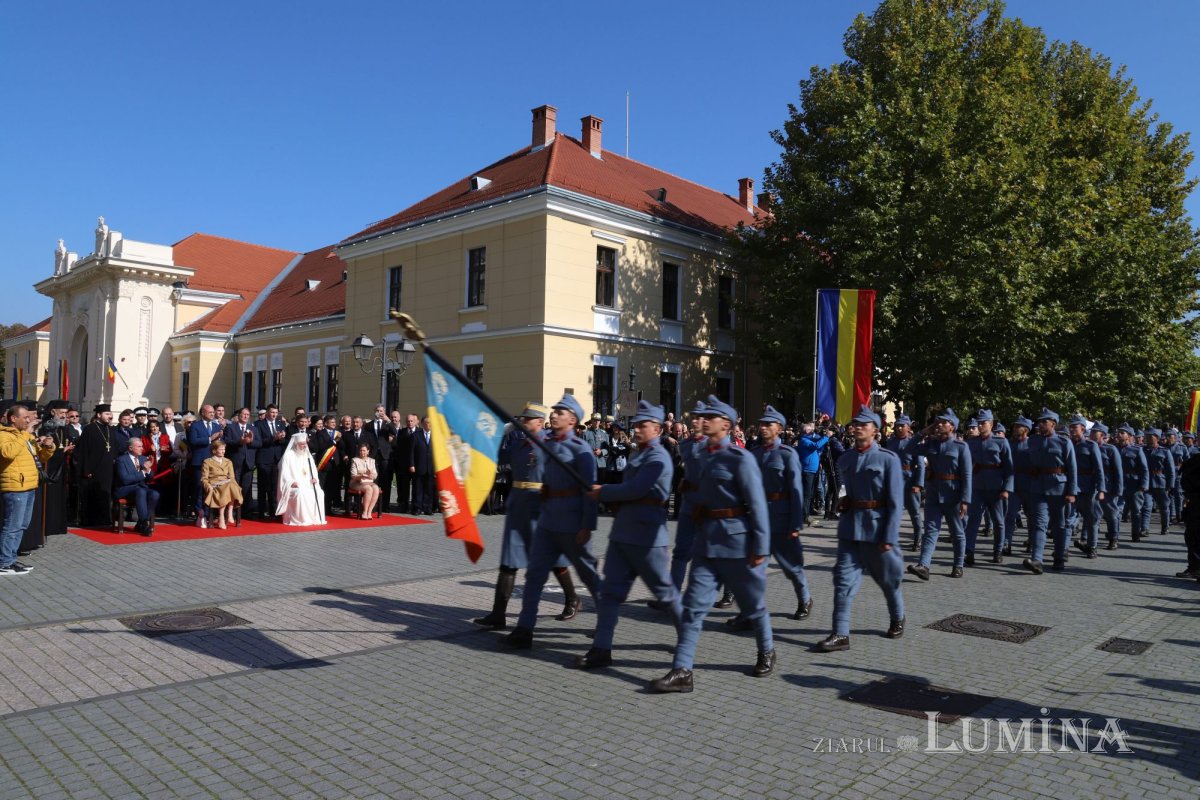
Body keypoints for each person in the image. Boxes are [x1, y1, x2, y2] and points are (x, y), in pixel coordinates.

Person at [649, 395, 774, 694]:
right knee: (693, 608)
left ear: (726, 425)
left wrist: (761, 547)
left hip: (737, 543)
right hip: (707, 543)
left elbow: (757, 506)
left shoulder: (739, 459)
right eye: (702, 418)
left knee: (753, 604)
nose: (702, 421)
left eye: (710, 418)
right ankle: (682, 670)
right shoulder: (701, 456)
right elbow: (694, 498)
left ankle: (767, 650)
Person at [574, 401, 680, 670]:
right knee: (610, 593)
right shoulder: (640, 454)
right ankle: (602, 648)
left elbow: (637, 489)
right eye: (636, 425)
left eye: (642, 425)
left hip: (647, 537)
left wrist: (604, 492)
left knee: (665, 595)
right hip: (623, 534)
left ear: (656, 429)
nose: (636, 429)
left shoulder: (658, 457)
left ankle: (687, 636)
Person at [504, 394, 600, 649]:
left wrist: (587, 526)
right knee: (534, 576)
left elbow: (589, 492)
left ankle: (606, 623)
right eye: (554, 411)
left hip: (571, 522)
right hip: (547, 521)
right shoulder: (547, 446)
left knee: (589, 575)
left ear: (572, 420)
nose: (554, 414)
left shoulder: (581, 451)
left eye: (560, 412)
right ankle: (524, 629)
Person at [474, 403, 581, 630]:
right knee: (509, 560)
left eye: (527, 419)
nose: (522, 422)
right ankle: (498, 614)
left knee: (553, 558)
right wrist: (504, 430)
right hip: (518, 507)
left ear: (539, 423)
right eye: (521, 419)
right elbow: (495, 452)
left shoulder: (550, 445)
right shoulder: (518, 445)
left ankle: (572, 598)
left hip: (541, 507)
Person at [818, 405, 905, 651]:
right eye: (854, 424)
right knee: (843, 580)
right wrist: (843, 501)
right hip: (850, 528)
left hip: (877, 530)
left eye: (862, 425)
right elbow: (845, 489)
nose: (856, 428)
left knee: (887, 580)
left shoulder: (888, 459)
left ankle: (897, 616)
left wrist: (889, 535)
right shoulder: (845, 458)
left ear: (875, 431)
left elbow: (896, 502)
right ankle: (840, 633)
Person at [730, 405, 811, 628]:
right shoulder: (753, 454)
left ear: (780, 429)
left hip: (782, 519)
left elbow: (796, 491)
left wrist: (796, 523)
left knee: (791, 567)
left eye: (768, 424)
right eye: (762, 424)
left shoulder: (787, 454)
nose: (763, 427)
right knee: (753, 570)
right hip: (757, 520)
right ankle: (750, 612)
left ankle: (805, 599)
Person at [909, 409, 972, 580]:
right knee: (930, 530)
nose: (939, 425)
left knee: (957, 531)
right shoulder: (931, 443)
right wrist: (923, 432)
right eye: (938, 422)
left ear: (952, 427)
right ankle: (924, 566)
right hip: (933, 493)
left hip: (953, 495)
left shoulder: (961, 447)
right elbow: (909, 448)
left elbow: (967, 475)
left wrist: (965, 500)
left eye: (943, 422)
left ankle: (958, 565)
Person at [0, 401, 55, 574]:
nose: (28, 420)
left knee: (21, 525)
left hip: (29, 485)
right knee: (12, 526)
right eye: (24, 417)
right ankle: (4, 562)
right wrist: (25, 434)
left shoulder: (25, 435)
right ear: (13, 418)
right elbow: (8, 453)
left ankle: (10, 558)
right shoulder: (4, 434)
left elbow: (40, 458)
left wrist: (48, 446)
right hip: (15, 486)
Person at [1024, 408, 1078, 574]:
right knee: (1039, 524)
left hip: (1059, 488)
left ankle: (1059, 557)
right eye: (1039, 422)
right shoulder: (1032, 441)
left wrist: (1072, 492)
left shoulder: (1063, 442)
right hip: (1038, 487)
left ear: (1053, 424)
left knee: (1059, 525)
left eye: (1044, 422)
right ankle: (1037, 560)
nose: (1040, 425)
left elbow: (1072, 468)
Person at [964, 410, 1013, 566]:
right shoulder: (971, 443)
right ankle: (969, 551)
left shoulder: (1001, 442)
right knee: (973, 520)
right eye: (979, 422)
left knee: (998, 522)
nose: (980, 425)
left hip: (996, 488)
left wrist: (1006, 489)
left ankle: (998, 550)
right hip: (977, 487)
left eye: (983, 423)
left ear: (991, 424)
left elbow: (1009, 468)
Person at [1069, 415, 1107, 558]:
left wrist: (1101, 489)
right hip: (1070, 487)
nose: (1072, 429)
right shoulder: (1067, 444)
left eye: (1075, 427)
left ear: (1083, 429)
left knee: (1091, 519)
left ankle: (1092, 547)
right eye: (1071, 427)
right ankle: (1063, 549)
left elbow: (1099, 469)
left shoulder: (1091, 446)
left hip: (1088, 487)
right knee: (1068, 519)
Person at [885, 414, 925, 551]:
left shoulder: (914, 443)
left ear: (908, 428)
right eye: (898, 425)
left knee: (914, 512)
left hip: (909, 481)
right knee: (892, 511)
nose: (899, 428)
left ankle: (918, 538)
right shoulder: (890, 442)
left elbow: (920, 465)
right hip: (893, 481)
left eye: (902, 425)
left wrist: (919, 484)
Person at [76, 404, 116, 526]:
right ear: (99, 415)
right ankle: (90, 521)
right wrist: (86, 469)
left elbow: (113, 448)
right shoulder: (89, 429)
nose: (110, 416)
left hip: (107, 469)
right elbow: (83, 451)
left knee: (105, 495)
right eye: (107, 414)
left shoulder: (110, 429)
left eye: (110, 414)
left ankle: (104, 520)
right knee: (92, 496)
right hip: (93, 470)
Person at [186, 404, 224, 526]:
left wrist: (220, 440)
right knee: (199, 488)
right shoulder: (195, 426)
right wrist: (209, 439)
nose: (213, 414)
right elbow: (193, 441)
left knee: (210, 489)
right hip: (200, 462)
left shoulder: (216, 425)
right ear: (203, 413)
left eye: (213, 412)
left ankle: (208, 513)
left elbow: (219, 444)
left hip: (213, 463)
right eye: (210, 412)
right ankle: (199, 513)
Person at [276, 433, 326, 525]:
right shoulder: (288, 455)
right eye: (301, 444)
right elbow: (284, 473)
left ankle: (315, 518)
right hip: (294, 485)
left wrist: (314, 478)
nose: (304, 446)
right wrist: (291, 482)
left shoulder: (307, 455)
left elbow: (313, 470)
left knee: (320, 493)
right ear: (296, 444)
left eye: (305, 443)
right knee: (301, 493)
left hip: (308, 484)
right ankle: (302, 519)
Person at [114, 438, 160, 536]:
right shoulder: (121, 460)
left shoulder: (143, 458)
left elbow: (150, 478)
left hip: (140, 488)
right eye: (139, 446)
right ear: (130, 448)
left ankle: (140, 523)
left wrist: (148, 470)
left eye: (142, 446)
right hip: (125, 489)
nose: (142, 449)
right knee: (141, 491)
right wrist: (143, 471)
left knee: (155, 494)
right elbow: (125, 479)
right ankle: (144, 523)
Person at [1091, 423, 1124, 549]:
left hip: (1108, 486)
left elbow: (1118, 471)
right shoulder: (1089, 447)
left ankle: (1113, 538)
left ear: (1102, 435)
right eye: (1092, 432)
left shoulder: (1110, 449)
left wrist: (1118, 489)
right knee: (1093, 514)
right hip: (1092, 485)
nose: (1092, 434)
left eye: (1095, 432)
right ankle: (1090, 540)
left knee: (1111, 514)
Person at [1115, 423, 1149, 544]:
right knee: (1117, 511)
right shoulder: (1114, 449)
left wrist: (1144, 485)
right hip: (1118, 484)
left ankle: (1135, 534)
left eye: (1122, 433)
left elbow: (1144, 469)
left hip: (1134, 484)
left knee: (1135, 511)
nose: (1119, 435)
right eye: (1118, 432)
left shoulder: (1137, 450)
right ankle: (1114, 536)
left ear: (1129, 436)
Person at [255, 404, 289, 519]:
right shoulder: (259, 424)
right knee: (263, 486)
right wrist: (273, 438)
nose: (274, 415)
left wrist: (282, 437)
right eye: (272, 412)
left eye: (276, 412)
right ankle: (261, 511)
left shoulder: (281, 424)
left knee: (274, 487)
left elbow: (284, 441)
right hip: (264, 458)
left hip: (276, 459)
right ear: (267, 413)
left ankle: (273, 511)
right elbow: (259, 441)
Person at [1141, 428, 1175, 538]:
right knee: (1146, 506)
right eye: (1147, 436)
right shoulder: (1142, 450)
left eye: (1151, 436)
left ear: (1157, 438)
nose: (1148, 437)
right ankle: (1144, 528)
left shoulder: (1165, 451)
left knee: (1164, 507)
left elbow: (1170, 470)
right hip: (1147, 482)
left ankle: (1165, 526)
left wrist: (1170, 484)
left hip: (1161, 483)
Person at [201, 440, 242, 529]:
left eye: (224, 449)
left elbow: (232, 477)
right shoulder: (207, 462)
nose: (224, 451)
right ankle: (224, 515)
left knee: (232, 485)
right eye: (221, 449)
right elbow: (204, 478)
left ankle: (226, 514)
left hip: (227, 483)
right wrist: (208, 486)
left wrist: (236, 486)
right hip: (215, 484)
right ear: (214, 451)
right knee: (230, 486)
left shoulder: (228, 461)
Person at [223, 407, 258, 512]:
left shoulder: (253, 428)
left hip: (248, 462)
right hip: (235, 461)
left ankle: (245, 511)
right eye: (244, 414)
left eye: (248, 415)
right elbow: (227, 441)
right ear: (238, 416)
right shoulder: (230, 427)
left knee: (246, 487)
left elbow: (259, 443)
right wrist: (240, 441)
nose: (246, 416)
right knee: (234, 486)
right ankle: (232, 511)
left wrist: (250, 441)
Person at [369, 405, 396, 511]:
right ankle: (374, 505)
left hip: (385, 455)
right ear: (374, 412)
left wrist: (388, 420)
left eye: (381, 411)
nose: (379, 412)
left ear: (384, 412)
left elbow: (395, 432)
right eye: (377, 410)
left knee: (386, 481)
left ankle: (385, 505)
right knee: (374, 480)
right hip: (373, 455)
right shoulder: (369, 425)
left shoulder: (387, 424)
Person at [393, 413, 419, 513]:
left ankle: (415, 506)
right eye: (408, 421)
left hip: (416, 464)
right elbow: (398, 448)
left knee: (416, 486)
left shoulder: (419, 432)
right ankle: (404, 505)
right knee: (404, 487)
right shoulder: (401, 432)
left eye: (412, 421)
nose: (410, 423)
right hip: (404, 465)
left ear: (416, 422)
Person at [349, 443, 382, 519]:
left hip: (369, 481)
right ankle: (364, 512)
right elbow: (353, 475)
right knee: (368, 488)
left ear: (368, 451)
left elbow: (375, 474)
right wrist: (361, 476)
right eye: (360, 450)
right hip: (356, 482)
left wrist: (371, 475)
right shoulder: (355, 460)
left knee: (376, 488)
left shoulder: (372, 461)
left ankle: (369, 512)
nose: (362, 452)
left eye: (364, 450)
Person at [411, 416, 434, 514]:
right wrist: (412, 465)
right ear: (423, 424)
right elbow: (411, 451)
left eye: (430, 423)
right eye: (427, 422)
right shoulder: (416, 435)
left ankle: (427, 508)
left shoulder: (436, 436)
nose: (429, 424)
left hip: (431, 467)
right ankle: (417, 508)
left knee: (429, 489)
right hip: (419, 466)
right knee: (418, 488)